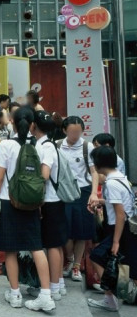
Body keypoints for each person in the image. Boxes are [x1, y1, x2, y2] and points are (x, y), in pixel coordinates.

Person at [0, 107, 55, 312]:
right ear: (33, 124)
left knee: (10, 249)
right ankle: (46, 295)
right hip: (31, 203)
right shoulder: (40, 146)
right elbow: (42, 177)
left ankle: (15, 293)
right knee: (36, 247)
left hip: (8, 201)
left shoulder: (6, 145)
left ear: (13, 123)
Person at [87, 146, 137, 312]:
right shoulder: (121, 178)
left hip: (119, 229)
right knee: (124, 264)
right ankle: (117, 295)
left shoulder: (112, 183)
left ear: (99, 164)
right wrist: (101, 202)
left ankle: (112, 297)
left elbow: (120, 214)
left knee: (97, 256)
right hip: (125, 229)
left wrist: (116, 241)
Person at [26, 111, 67, 302]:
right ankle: (58, 284)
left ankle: (53, 287)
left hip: (49, 200)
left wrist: (38, 199)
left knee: (52, 245)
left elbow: (44, 174)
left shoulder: (46, 147)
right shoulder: (44, 144)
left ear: (34, 126)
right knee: (55, 243)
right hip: (52, 200)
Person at [58, 116, 99, 282]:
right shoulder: (57, 145)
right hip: (63, 192)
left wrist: (94, 193)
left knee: (82, 231)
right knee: (65, 230)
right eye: (72, 132)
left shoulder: (87, 147)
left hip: (83, 191)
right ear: (64, 130)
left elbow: (94, 172)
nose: (75, 135)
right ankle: (69, 259)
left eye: (78, 132)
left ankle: (76, 266)